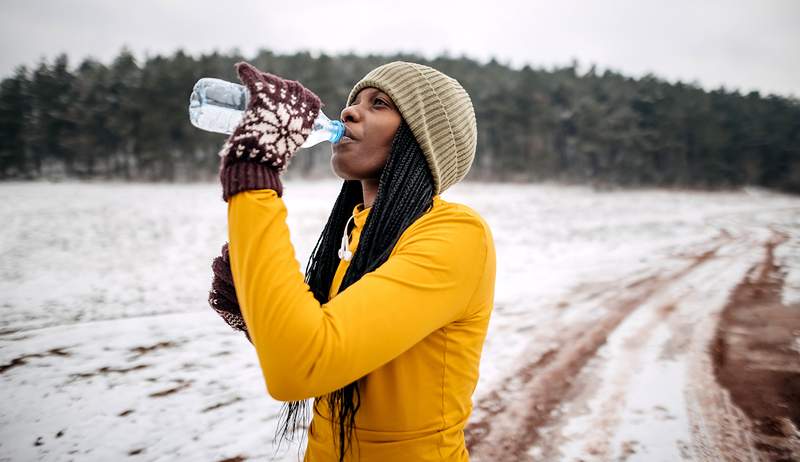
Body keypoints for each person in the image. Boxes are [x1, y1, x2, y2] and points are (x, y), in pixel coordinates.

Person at [208, 60, 496, 461]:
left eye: (379, 104)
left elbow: (302, 364)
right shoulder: (356, 230)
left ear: (422, 137)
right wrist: (256, 305)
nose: (348, 112)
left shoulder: (456, 235)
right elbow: (319, 347)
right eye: (354, 100)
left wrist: (254, 173)